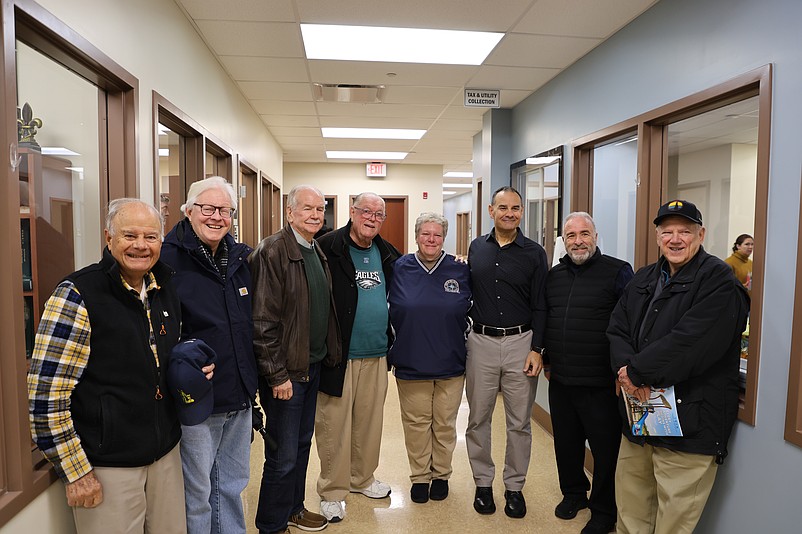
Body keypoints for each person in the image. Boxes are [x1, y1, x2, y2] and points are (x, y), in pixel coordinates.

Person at [27, 198, 194, 533]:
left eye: (150, 237)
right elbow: (46, 396)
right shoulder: (77, 294)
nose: (140, 246)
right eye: (129, 235)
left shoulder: (163, 288)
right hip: (107, 465)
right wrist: (76, 472)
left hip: (164, 455)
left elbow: (159, 362)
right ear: (109, 238)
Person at [607, 199, 749, 534]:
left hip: (691, 422)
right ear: (657, 236)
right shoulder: (643, 278)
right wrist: (628, 373)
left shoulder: (719, 281)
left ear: (700, 235)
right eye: (667, 231)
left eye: (684, 231)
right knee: (631, 508)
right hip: (640, 420)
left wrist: (637, 372)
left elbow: (692, 342)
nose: (675, 239)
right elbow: (617, 329)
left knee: (674, 521)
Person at [160, 176, 258, 533]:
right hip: (198, 396)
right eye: (209, 209)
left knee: (232, 485)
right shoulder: (166, 260)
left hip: (240, 392)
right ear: (188, 211)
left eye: (226, 211)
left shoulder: (239, 258)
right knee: (199, 491)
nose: (217, 217)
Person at [250, 185, 342, 534]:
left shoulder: (315, 249)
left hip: (310, 366)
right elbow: (262, 321)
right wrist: (276, 375)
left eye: (320, 209)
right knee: (282, 455)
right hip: (286, 373)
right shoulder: (273, 252)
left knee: (302, 446)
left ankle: (294, 508)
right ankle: (271, 525)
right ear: (290, 213)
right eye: (307, 209)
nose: (315, 215)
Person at [543, 212, 634, 534]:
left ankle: (604, 510)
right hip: (563, 379)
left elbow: (629, 326)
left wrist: (620, 372)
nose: (578, 241)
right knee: (565, 444)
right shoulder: (554, 276)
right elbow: (549, 319)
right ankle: (573, 494)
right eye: (571, 235)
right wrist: (549, 361)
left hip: (600, 383)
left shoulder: (618, 272)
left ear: (595, 236)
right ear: (563, 241)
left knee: (606, 450)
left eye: (584, 234)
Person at [314, 192, 401, 523]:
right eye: (366, 211)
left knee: (369, 422)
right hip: (339, 355)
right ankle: (332, 491)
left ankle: (362, 478)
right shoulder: (327, 247)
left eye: (379, 215)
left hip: (376, 353)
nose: (372, 219)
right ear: (352, 212)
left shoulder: (387, 253)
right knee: (333, 425)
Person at [466, 186, 548, 519]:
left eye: (515, 208)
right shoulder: (476, 249)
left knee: (519, 423)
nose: (510, 213)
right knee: (477, 419)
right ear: (491, 210)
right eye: (503, 207)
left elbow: (542, 304)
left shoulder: (534, 253)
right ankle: (483, 484)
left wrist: (537, 348)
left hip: (520, 343)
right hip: (481, 343)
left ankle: (514, 487)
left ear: (521, 213)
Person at [387, 212, 471, 504]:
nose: (431, 239)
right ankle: (420, 477)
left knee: (445, 425)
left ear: (444, 238)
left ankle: (441, 475)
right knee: (417, 425)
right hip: (411, 361)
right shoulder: (400, 267)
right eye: (426, 234)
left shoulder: (460, 269)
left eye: (437, 234)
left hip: (451, 362)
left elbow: (472, 310)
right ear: (416, 236)